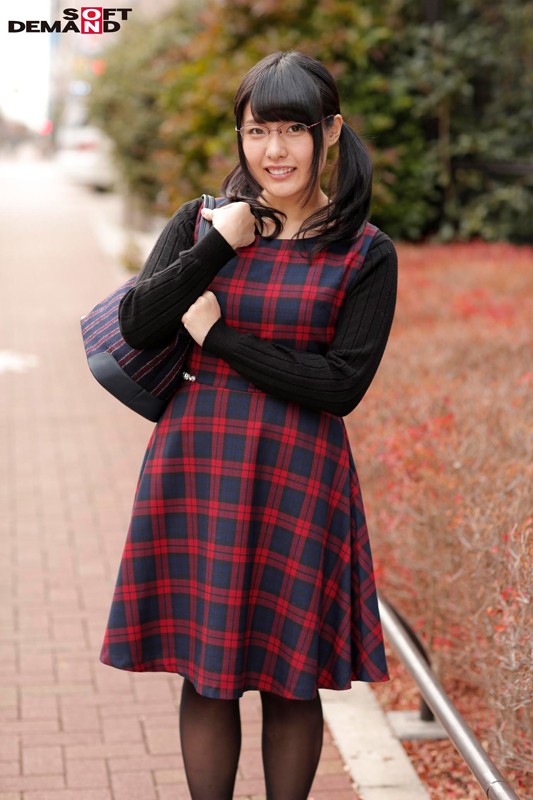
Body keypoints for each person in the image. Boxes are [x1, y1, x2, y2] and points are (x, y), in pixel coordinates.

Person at [100, 51, 397, 800]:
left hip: (300, 475)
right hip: (199, 467)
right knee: (207, 675)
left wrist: (222, 338)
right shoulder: (202, 223)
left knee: (292, 679)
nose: (274, 151)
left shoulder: (364, 251)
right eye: (256, 131)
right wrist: (217, 245)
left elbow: (341, 385)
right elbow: (137, 324)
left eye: (293, 130)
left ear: (330, 131)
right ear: (240, 136)